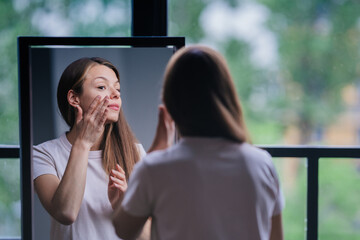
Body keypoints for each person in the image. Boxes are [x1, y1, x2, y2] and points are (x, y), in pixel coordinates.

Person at [112, 46, 285, 240]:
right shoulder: (262, 163)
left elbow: (123, 230)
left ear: (170, 103)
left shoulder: (155, 168)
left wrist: (154, 154)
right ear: (227, 97)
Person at [33, 57, 150, 240]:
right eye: (102, 87)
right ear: (73, 98)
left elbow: (149, 236)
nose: (115, 95)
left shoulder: (136, 152)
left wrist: (124, 208)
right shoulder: (43, 154)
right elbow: (66, 213)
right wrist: (83, 143)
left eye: (117, 89)